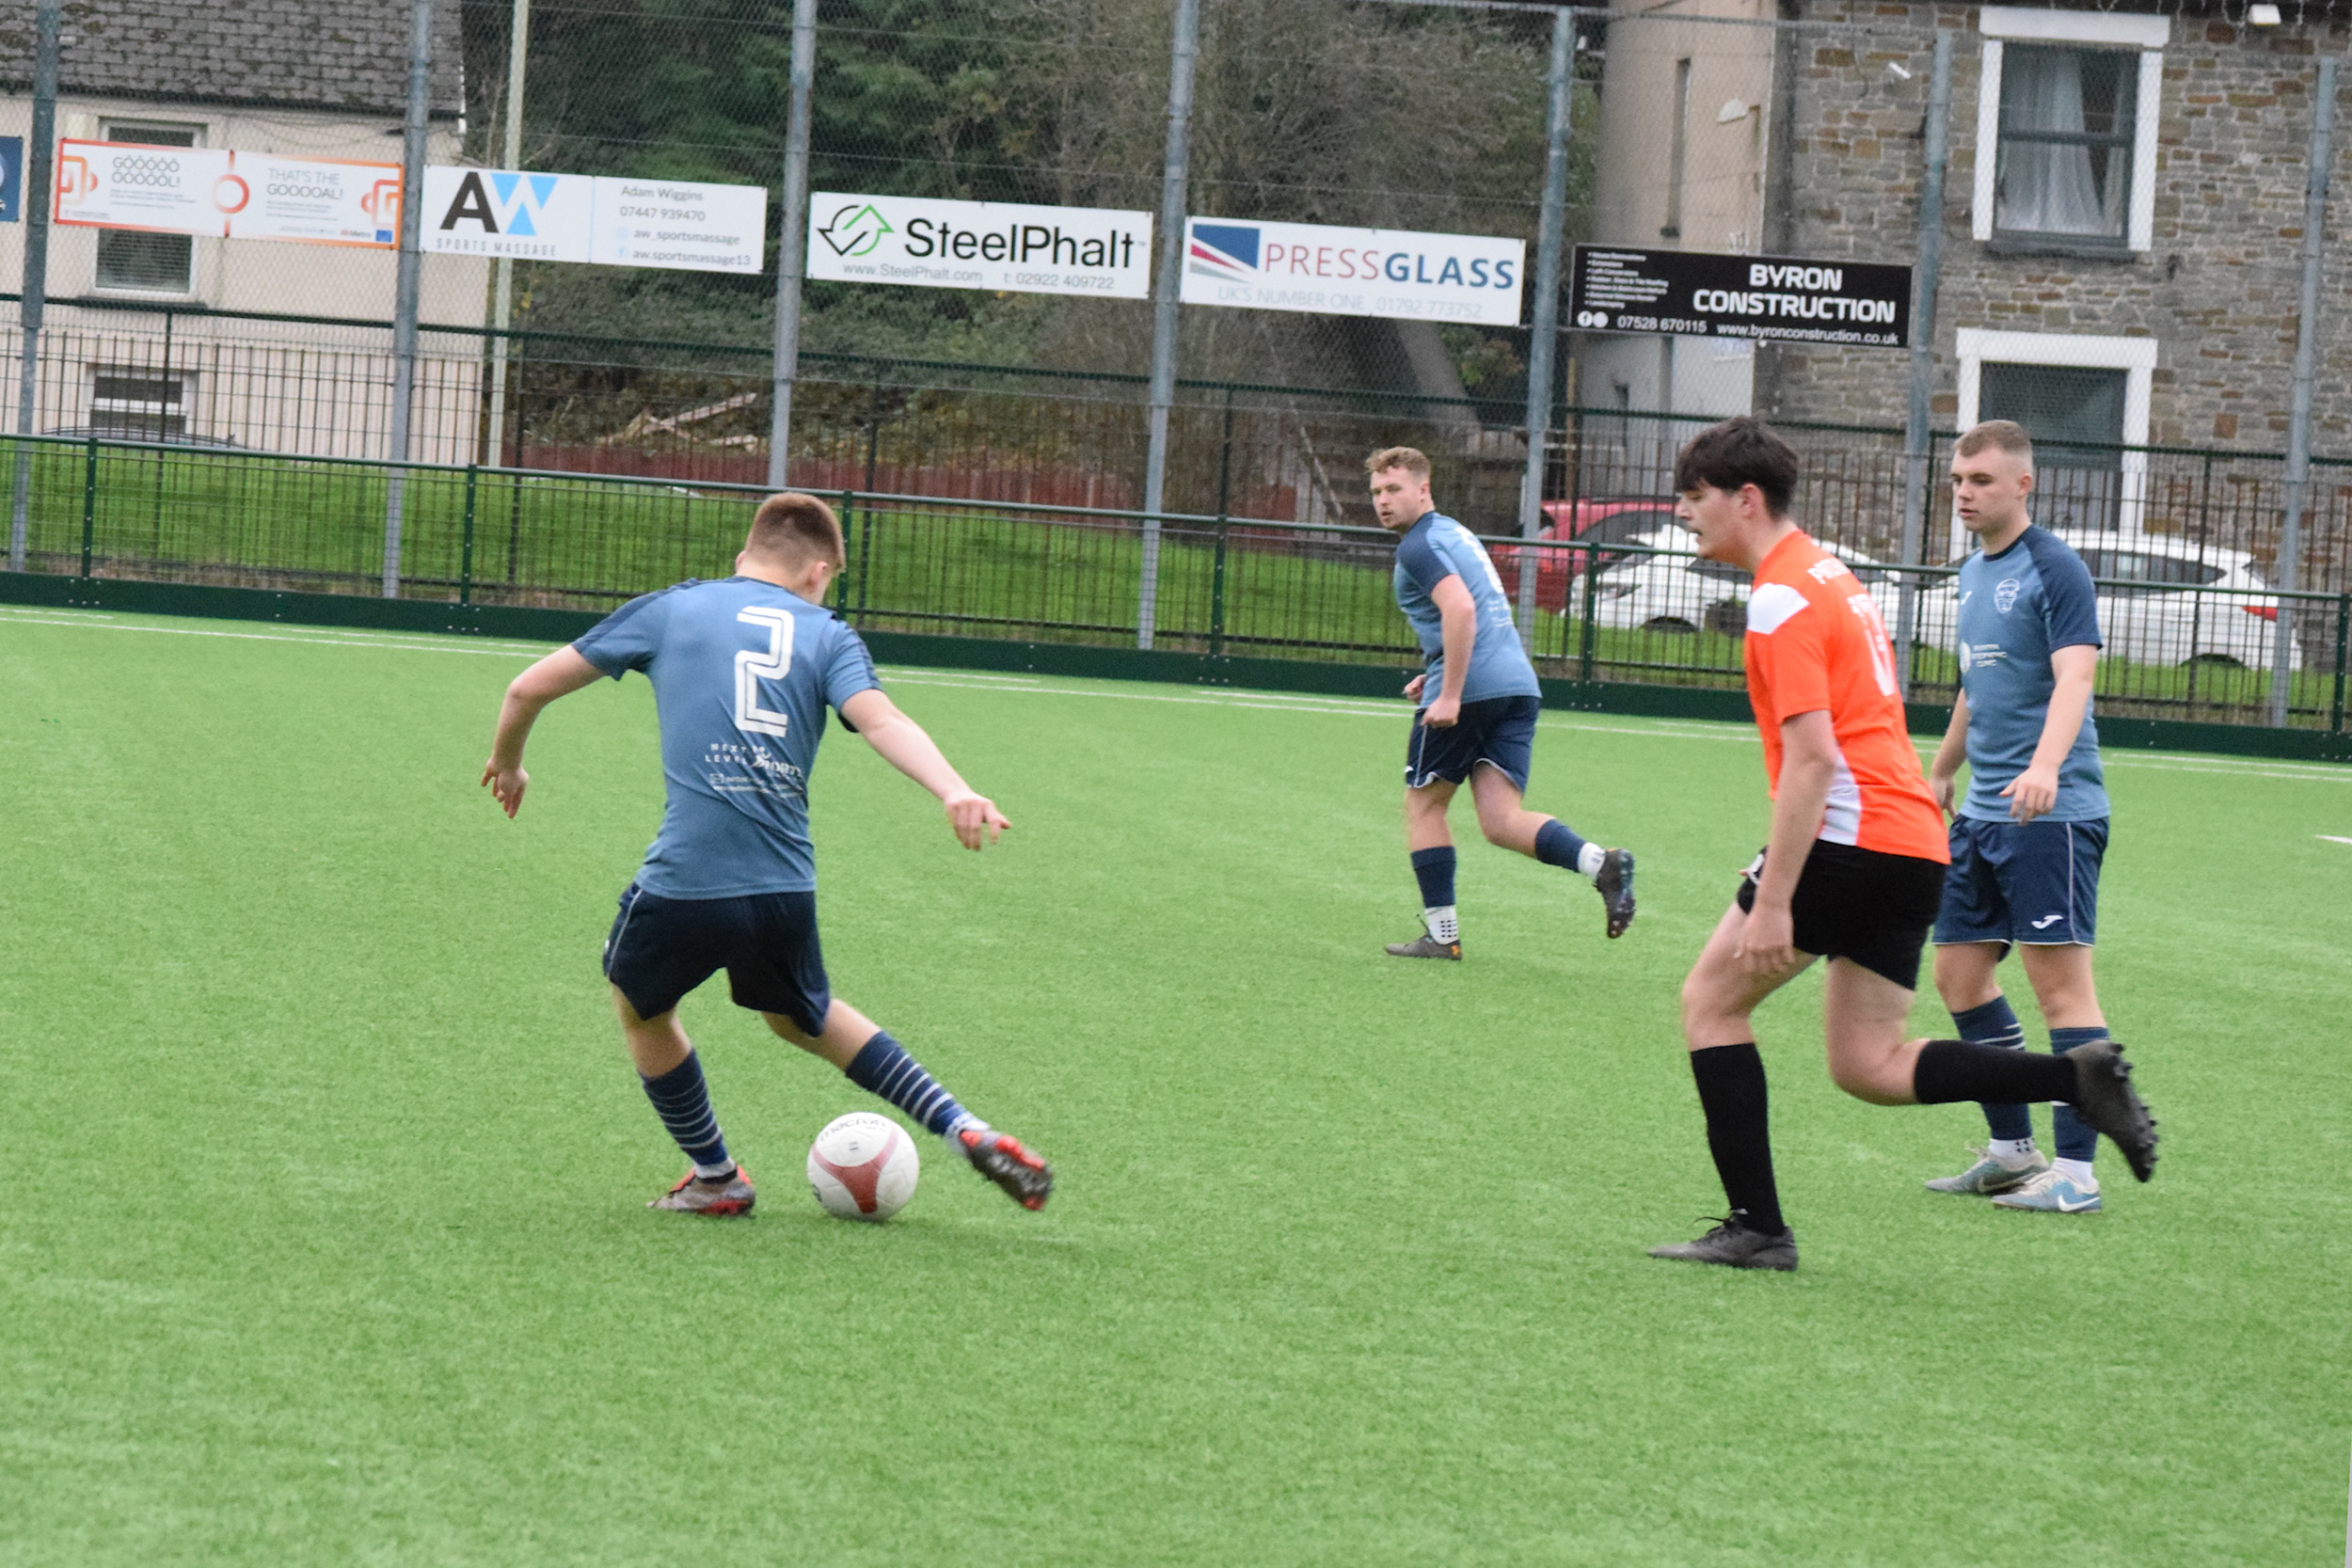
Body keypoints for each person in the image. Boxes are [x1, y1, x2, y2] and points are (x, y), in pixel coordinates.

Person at [1647, 419, 2154, 1272]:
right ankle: (2075, 1079)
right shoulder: (1831, 573)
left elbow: (1813, 758)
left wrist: (1774, 899)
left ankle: (1758, 1227)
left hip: (1849, 842)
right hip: (1911, 842)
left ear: (1745, 499)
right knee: (1867, 1064)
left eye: (1695, 499)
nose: (1686, 515)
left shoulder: (1780, 593)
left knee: (1711, 1004)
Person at [480, 492, 1053, 1216]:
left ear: (743, 556)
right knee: (801, 1018)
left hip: (687, 879)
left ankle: (715, 1177)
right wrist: (953, 788)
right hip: (785, 885)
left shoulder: (674, 608)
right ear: (819, 572)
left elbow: (527, 686)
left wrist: (509, 761)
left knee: (639, 1003)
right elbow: (880, 719)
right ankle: (961, 1124)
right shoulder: (829, 634)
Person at [1922, 421, 2117, 1212]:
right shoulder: (1971, 571)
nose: (1965, 492)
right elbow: (1977, 683)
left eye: (1981, 480)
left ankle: (2076, 1176)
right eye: (1959, 479)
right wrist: (1943, 765)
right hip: (1982, 812)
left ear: (2023, 486)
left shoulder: (2055, 565)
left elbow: (2076, 676)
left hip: (2052, 813)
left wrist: (2043, 765)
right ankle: (2010, 1151)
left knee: (2059, 990)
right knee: (1959, 975)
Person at [1366, 446, 1635, 959]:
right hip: (1516, 685)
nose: (1383, 500)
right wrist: (1440, 667)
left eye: (1394, 489)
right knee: (1500, 819)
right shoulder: (1455, 533)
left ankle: (1442, 938)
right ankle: (1601, 863)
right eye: (1377, 491)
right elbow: (1479, 611)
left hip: (1470, 692)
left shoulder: (1418, 546)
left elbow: (1462, 608)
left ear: (1424, 489)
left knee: (1423, 805)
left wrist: (1450, 691)